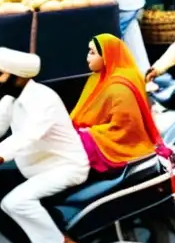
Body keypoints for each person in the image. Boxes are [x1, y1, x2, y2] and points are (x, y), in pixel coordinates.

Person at [0, 48, 89, 243]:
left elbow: (29, 135)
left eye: (0, 74)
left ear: (18, 76)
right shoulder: (10, 100)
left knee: (14, 202)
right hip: (37, 167)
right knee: (0, 197)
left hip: (66, 167)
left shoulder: (44, 99)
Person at [71, 34, 168, 173]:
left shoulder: (120, 87)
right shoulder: (97, 77)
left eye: (93, 53)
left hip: (121, 143)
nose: (88, 57)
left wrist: (88, 134)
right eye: (89, 51)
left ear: (106, 55)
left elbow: (125, 130)